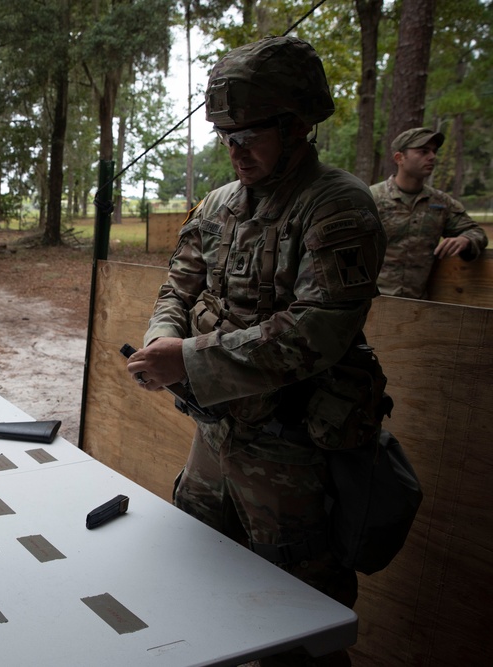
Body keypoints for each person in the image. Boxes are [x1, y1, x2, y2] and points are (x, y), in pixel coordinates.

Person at [126, 36, 387, 666]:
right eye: (225, 134)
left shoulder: (339, 207)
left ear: (298, 125)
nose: (236, 149)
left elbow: (315, 330)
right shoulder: (219, 203)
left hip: (289, 448)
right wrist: (165, 335)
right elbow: (178, 283)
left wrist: (187, 361)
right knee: (196, 574)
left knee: (295, 617)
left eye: (250, 133)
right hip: (215, 435)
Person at [371, 127, 488, 299]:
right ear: (399, 158)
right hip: (372, 303)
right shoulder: (371, 198)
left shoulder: (440, 203)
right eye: (423, 151)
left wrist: (465, 240)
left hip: (418, 306)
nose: (432, 157)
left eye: (434, 151)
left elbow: (476, 232)